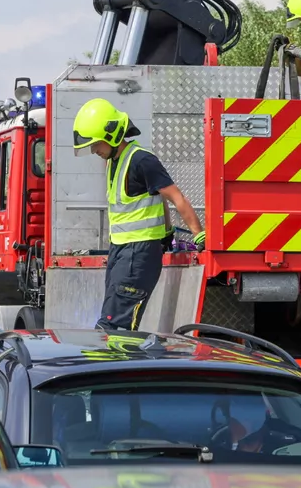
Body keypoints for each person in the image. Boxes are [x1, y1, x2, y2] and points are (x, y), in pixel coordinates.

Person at [72, 98, 204, 331]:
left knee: (113, 328)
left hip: (139, 253)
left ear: (111, 135)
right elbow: (156, 198)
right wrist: (166, 231)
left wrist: (198, 234)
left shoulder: (142, 160)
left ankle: (115, 367)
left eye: (96, 144)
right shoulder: (114, 162)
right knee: (113, 322)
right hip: (121, 251)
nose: (93, 150)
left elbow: (175, 196)